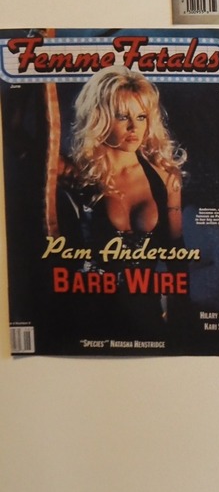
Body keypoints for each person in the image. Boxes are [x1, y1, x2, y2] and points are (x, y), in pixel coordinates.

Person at [48, 71, 186, 342]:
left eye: (141, 117)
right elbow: (22, 142)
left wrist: (184, 311)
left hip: (145, 312)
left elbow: (177, 253)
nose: (134, 128)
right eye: (123, 117)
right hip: (87, 312)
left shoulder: (165, 178)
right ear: (99, 117)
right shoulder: (78, 173)